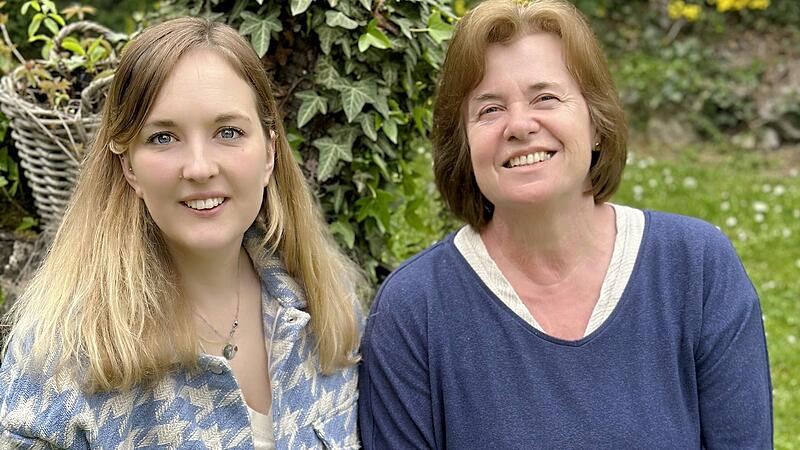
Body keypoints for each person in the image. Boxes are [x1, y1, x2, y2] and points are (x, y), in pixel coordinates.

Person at [358, 0, 773, 448]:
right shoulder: (413, 309)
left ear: (596, 122)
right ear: (463, 144)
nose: (519, 125)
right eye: (490, 109)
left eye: (546, 98)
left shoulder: (697, 268)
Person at [0, 17, 362, 449]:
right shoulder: (60, 360)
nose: (199, 167)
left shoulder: (326, 309)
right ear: (128, 166)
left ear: (269, 152)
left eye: (228, 132)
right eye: (163, 137)